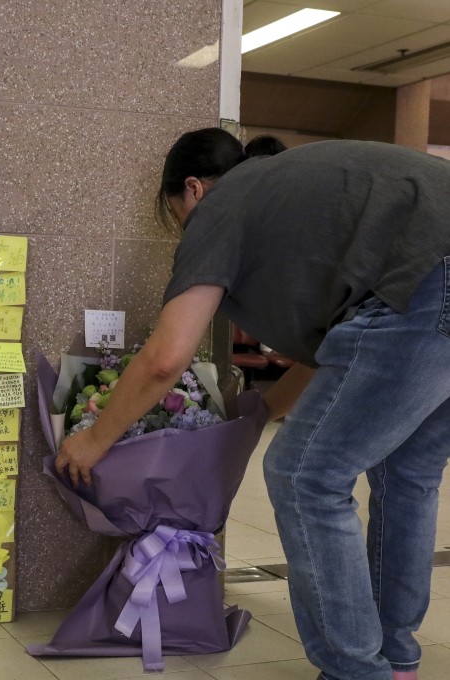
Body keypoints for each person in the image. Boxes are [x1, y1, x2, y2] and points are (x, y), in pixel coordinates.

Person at [55, 127, 450, 680]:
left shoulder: (221, 207)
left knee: (304, 475)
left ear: (193, 189)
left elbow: (167, 357)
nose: (182, 228)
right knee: (406, 475)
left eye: (174, 213)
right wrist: (259, 415)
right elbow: (328, 361)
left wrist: (94, 440)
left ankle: (356, 671)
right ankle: (398, 660)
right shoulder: (285, 196)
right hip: (431, 281)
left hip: (429, 281)